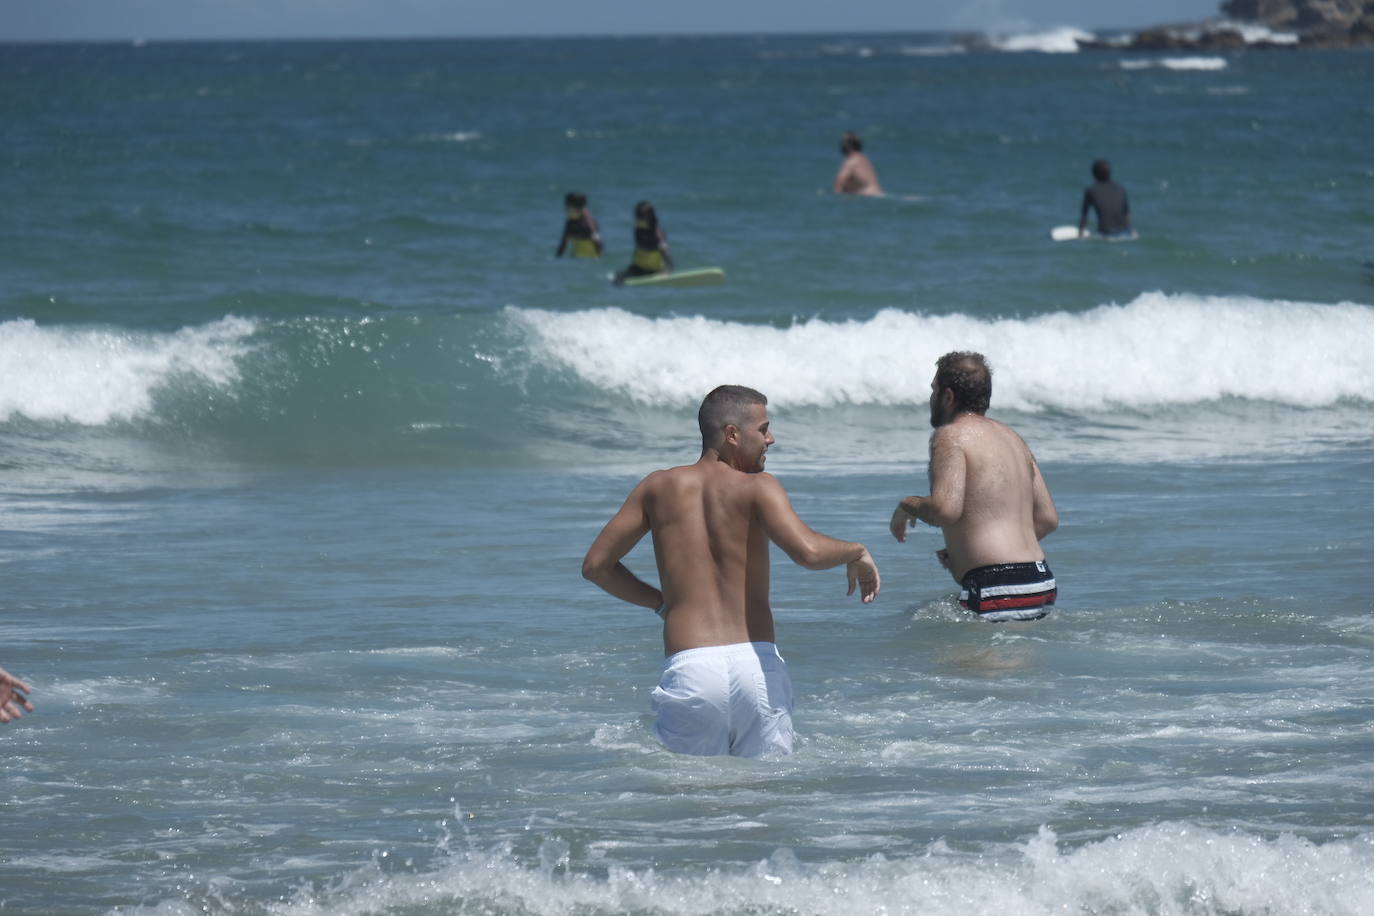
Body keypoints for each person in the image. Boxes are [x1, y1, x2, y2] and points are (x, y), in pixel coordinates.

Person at [582, 385, 880, 758]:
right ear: (732, 434)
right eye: (763, 428)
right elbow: (808, 552)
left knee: (691, 804)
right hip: (756, 667)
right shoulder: (758, 488)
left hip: (692, 669)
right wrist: (857, 550)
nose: (771, 439)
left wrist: (663, 604)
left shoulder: (657, 487)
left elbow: (597, 566)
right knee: (764, 800)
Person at [889, 352, 1059, 622]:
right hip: (1039, 581)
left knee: (950, 662)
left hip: (997, 586)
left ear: (948, 397)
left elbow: (945, 510)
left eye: (933, 390)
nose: (930, 398)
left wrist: (906, 505)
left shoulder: (950, 435)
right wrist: (972, 549)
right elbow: (1048, 519)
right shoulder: (1012, 438)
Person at [613, 200, 672, 285]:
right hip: (638, 268)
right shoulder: (637, 231)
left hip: (654, 270)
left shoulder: (658, 234)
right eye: (636, 217)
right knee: (617, 278)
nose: (635, 219)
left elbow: (667, 254)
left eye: (638, 217)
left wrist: (667, 271)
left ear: (648, 219)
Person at [1078, 159, 1132, 238]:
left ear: (1093, 174)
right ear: (1110, 173)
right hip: (1126, 232)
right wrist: (1130, 231)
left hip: (1106, 233)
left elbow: (1084, 215)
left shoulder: (1091, 190)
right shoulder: (1120, 189)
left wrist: (1080, 233)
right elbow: (1127, 213)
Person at [833, 131, 883, 197]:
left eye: (842, 143)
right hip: (878, 194)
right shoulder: (864, 159)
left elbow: (838, 186)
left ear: (848, 146)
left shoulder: (851, 161)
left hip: (866, 196)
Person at [555, 191, 603, 259]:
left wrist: (599, 258)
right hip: (576, 258)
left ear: (578, 210)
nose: (565, 211)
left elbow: (598, 243)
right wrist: (557, 258)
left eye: (568, 209)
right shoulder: (570, 222)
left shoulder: (589, 223)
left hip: (591, 258)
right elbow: (564, 242)